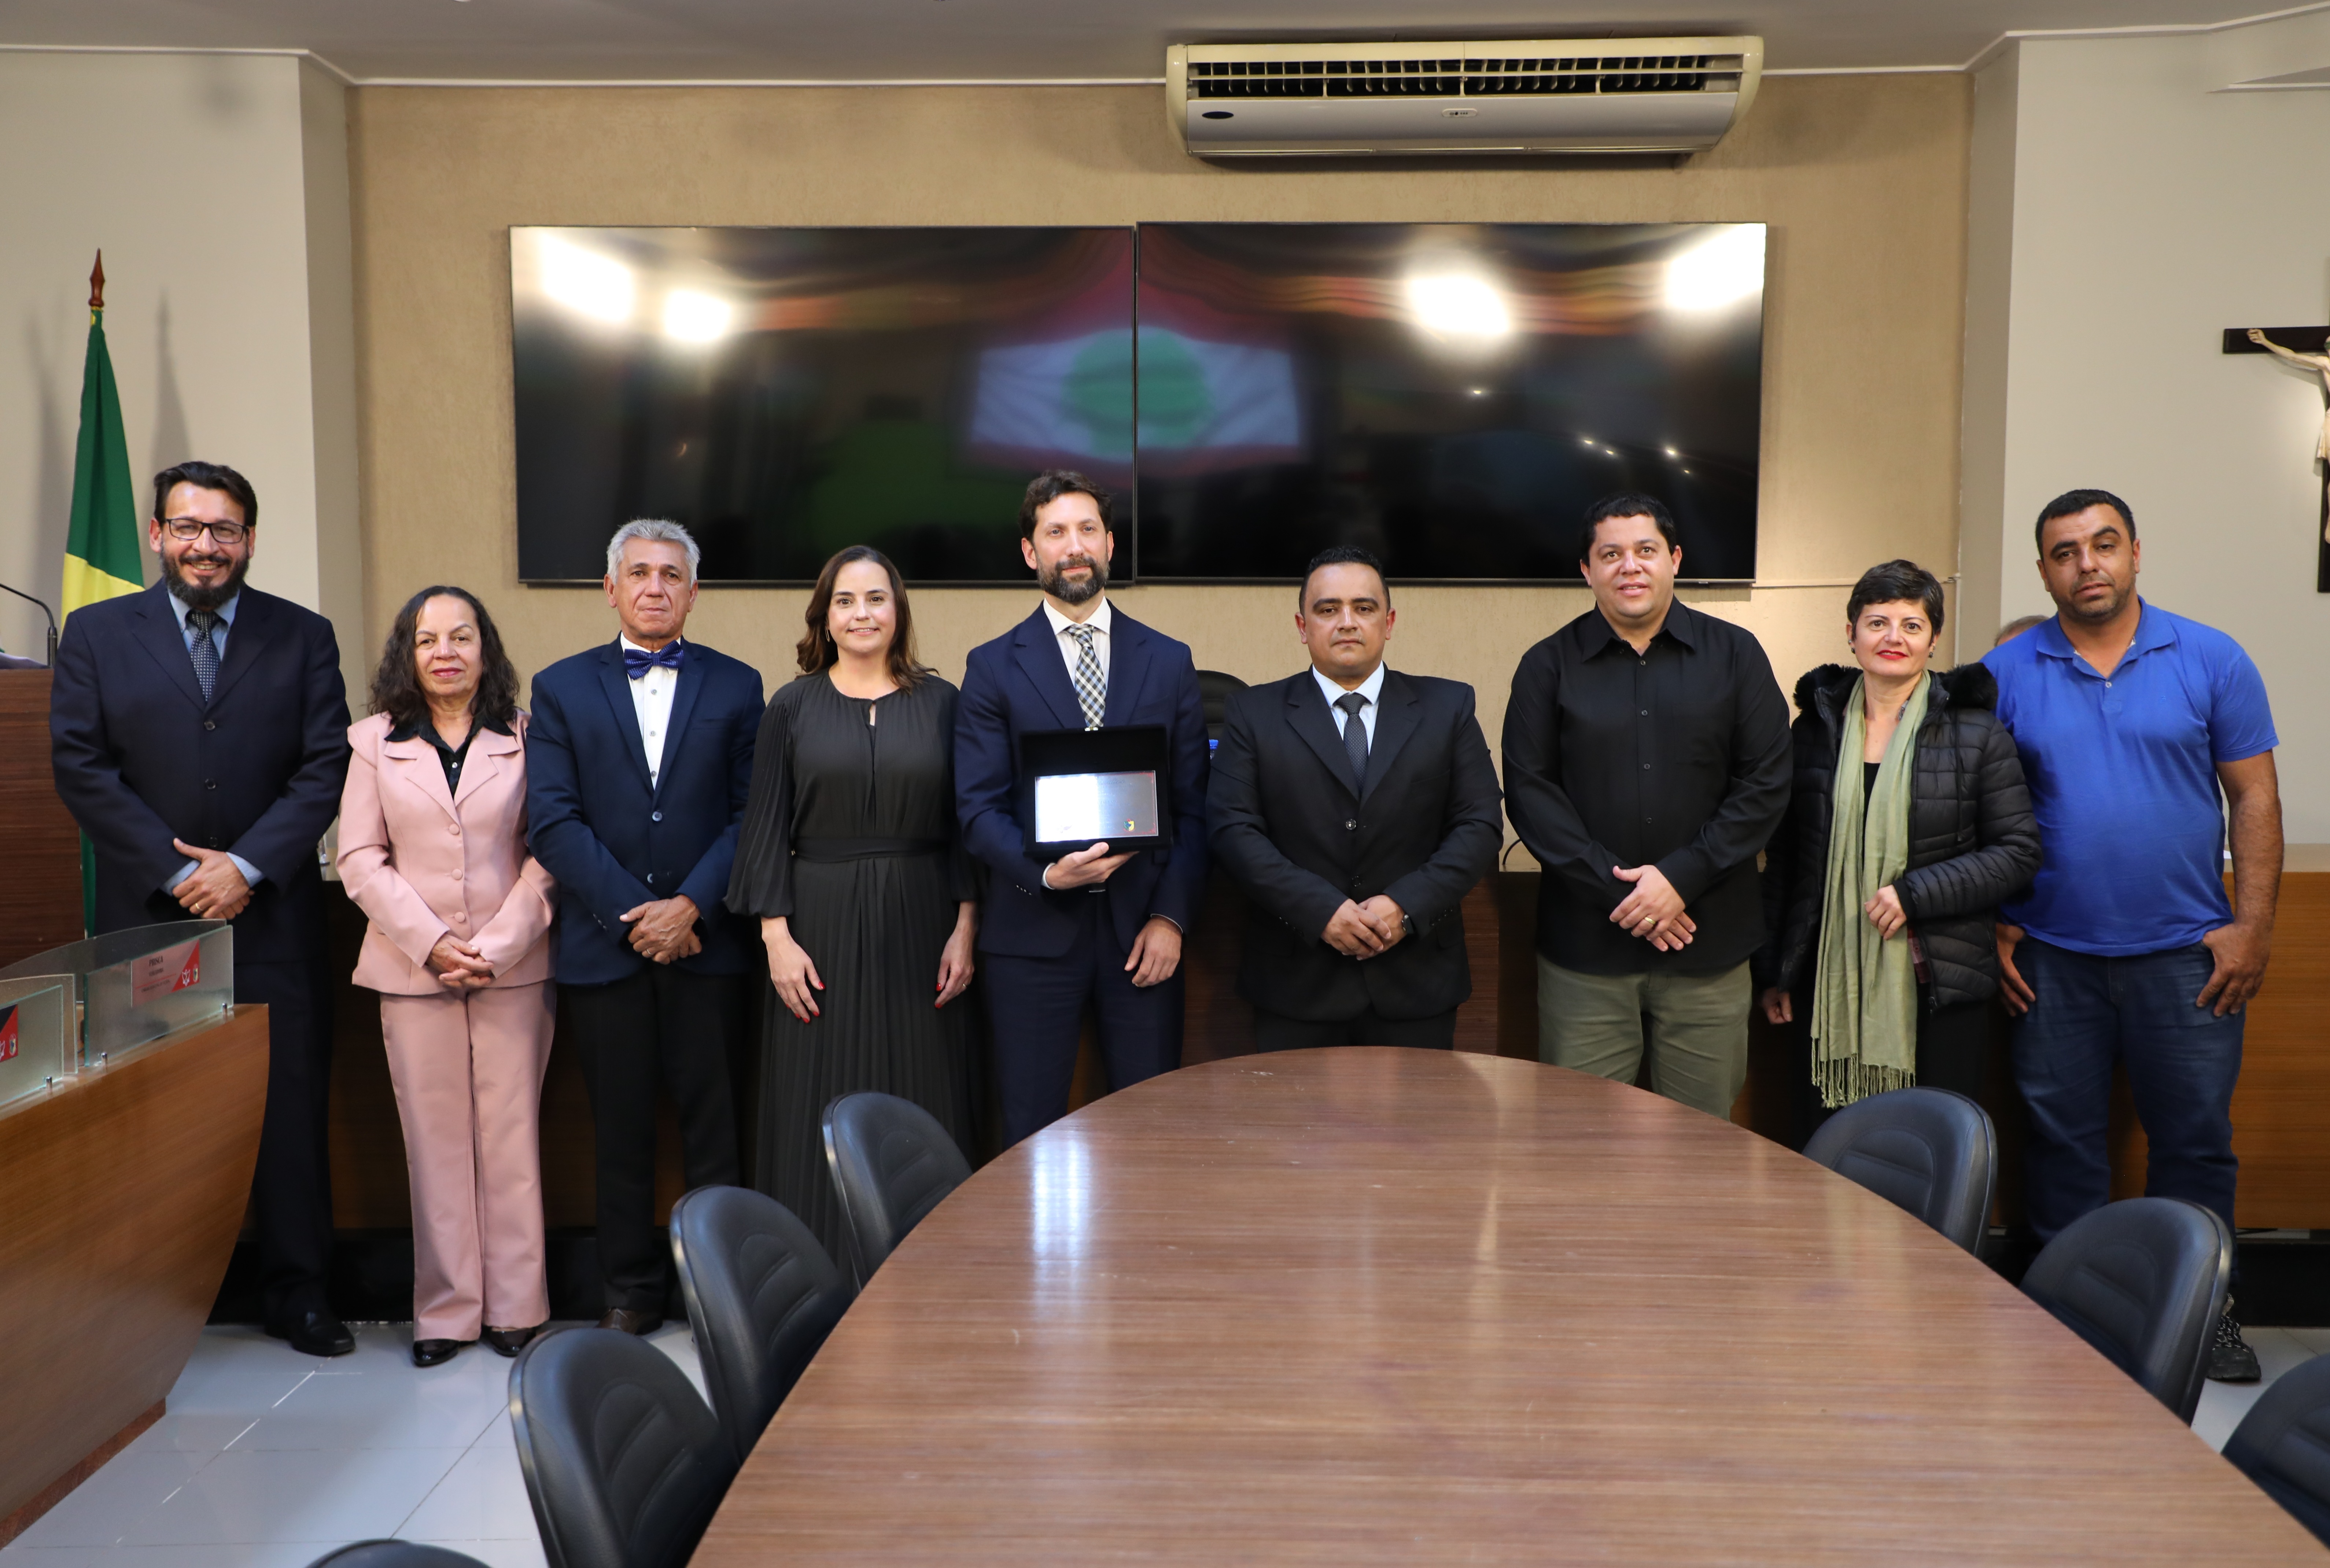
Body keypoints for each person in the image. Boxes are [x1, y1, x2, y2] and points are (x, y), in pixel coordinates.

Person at [49, 460, 354, 1356]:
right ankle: (155, 1304)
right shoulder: (97, 633)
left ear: (249, 540)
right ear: (156, 535)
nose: (205, 545)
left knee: (288, 1111)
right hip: (149, 916)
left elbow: (325, 765)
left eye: (224, 529)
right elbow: (80, 765)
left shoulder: (303, 635)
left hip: (273, 917)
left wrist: (247, 867)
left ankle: (300, 1295)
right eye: (187, 527)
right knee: (152, 1116)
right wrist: (178, 872)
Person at [1983, 488, 2282, 1382]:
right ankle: (2071, 1320)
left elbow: (2254, 797)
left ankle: (2201, 1314)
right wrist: (1995, 921)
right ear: (2044, 572)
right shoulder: (2003, 673)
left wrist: (2251, 928)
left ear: (2134, 552)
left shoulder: (2209, 656)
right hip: (2049, 958)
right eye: (2065, 552)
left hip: (2188, 958)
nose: (2087, 564)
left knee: (2193, 1143)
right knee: (2061, 1144)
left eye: (2103, 544)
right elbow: (1974, 809)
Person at [526, 519, 764, 1334]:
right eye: (638, 573)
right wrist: (638, 919)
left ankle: (724, 1294)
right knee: (619, 1134)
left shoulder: (739, 686)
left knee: (716, 1134)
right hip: (606, 950)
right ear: (610, 588)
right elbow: (553, 821)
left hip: (710, 945)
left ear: (693, 593)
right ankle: (628, 1293)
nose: (654, 587)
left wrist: (691, 905)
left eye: (670, 575)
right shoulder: (560, 687)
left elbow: (751, 817)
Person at [1502, 492, 1792, 1118]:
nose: (1629, 566)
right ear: (1587, 570)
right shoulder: (1546, 666)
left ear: (1674, 559)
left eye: (1645, 550)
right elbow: (1530, 793)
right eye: (1610, 554)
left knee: (1700, 1141)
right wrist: (1625, 895)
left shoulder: (1736, 655)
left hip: (1708, 947)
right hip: (1586, 954)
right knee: (1578, 1135)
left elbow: (1765, 782)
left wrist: (1680, 879)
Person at [726, 547, 979, 1260]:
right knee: (816, 1094)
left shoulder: (945, 703)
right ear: (825, 617)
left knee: (925, 1090)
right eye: (845, 601)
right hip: (817, 928)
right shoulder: (790, 706)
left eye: (875, 598)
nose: (861, 613)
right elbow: (764, 827)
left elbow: (965, 824)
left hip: (924, 920)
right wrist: (776, 939)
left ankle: (930, 1267)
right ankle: (817, 1271)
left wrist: (966, 926)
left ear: (898, 611)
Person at [955, 470, 1209, 1144]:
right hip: (1030, 936)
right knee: (1029, 1133)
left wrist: (1171, 919)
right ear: (1029, 552)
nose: (1074, 547)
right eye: (1056, 533)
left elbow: (1193, 807)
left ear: (1110, 544)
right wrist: (1045, 875)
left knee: (1151, 1129)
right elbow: (977, 809)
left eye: (1087, 530)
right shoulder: (990, 667)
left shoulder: (1169, 661)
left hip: (1143, 936)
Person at [338, 587, 557, 1367]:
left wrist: (497, 945)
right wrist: (431, 942)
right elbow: (359, 857)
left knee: (511, 1137)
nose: (445, 653)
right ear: (407, 653)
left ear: (485, 650)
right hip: (411, 970)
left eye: (461, 637)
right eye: (427, 639)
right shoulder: (372, 742)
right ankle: (446, 1311)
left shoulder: (529, 737)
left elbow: (550, 849)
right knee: (432, 1145)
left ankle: (517, 1305)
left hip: (513, 968)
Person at [1754, 560, 2040, 1137]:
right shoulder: (1812, 732)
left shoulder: (1976, 734)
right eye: (1877, 623)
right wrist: (1775, 970)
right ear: (1851, 634)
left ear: (1933, 640)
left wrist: (1914, 894)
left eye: (1911, 625)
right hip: (1826, 978)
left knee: (1933, 1147)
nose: (1893, 638)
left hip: (1939, 983)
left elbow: (2018, 851)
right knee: (1829, 1147)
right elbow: (1786, 859)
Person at [1207, 547, 1503, 1049]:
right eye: (1328, 609)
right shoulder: (1252, 713)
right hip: (1295, 981)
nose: (1347, 622)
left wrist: (1404, 907)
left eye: (1364, 608)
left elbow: (1479, 825)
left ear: (1389, 623)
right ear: (1303, 627)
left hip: (1416, 980)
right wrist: (1320, 911)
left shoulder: (1447, 707)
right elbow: (1232, 829)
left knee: (1419, 1107)